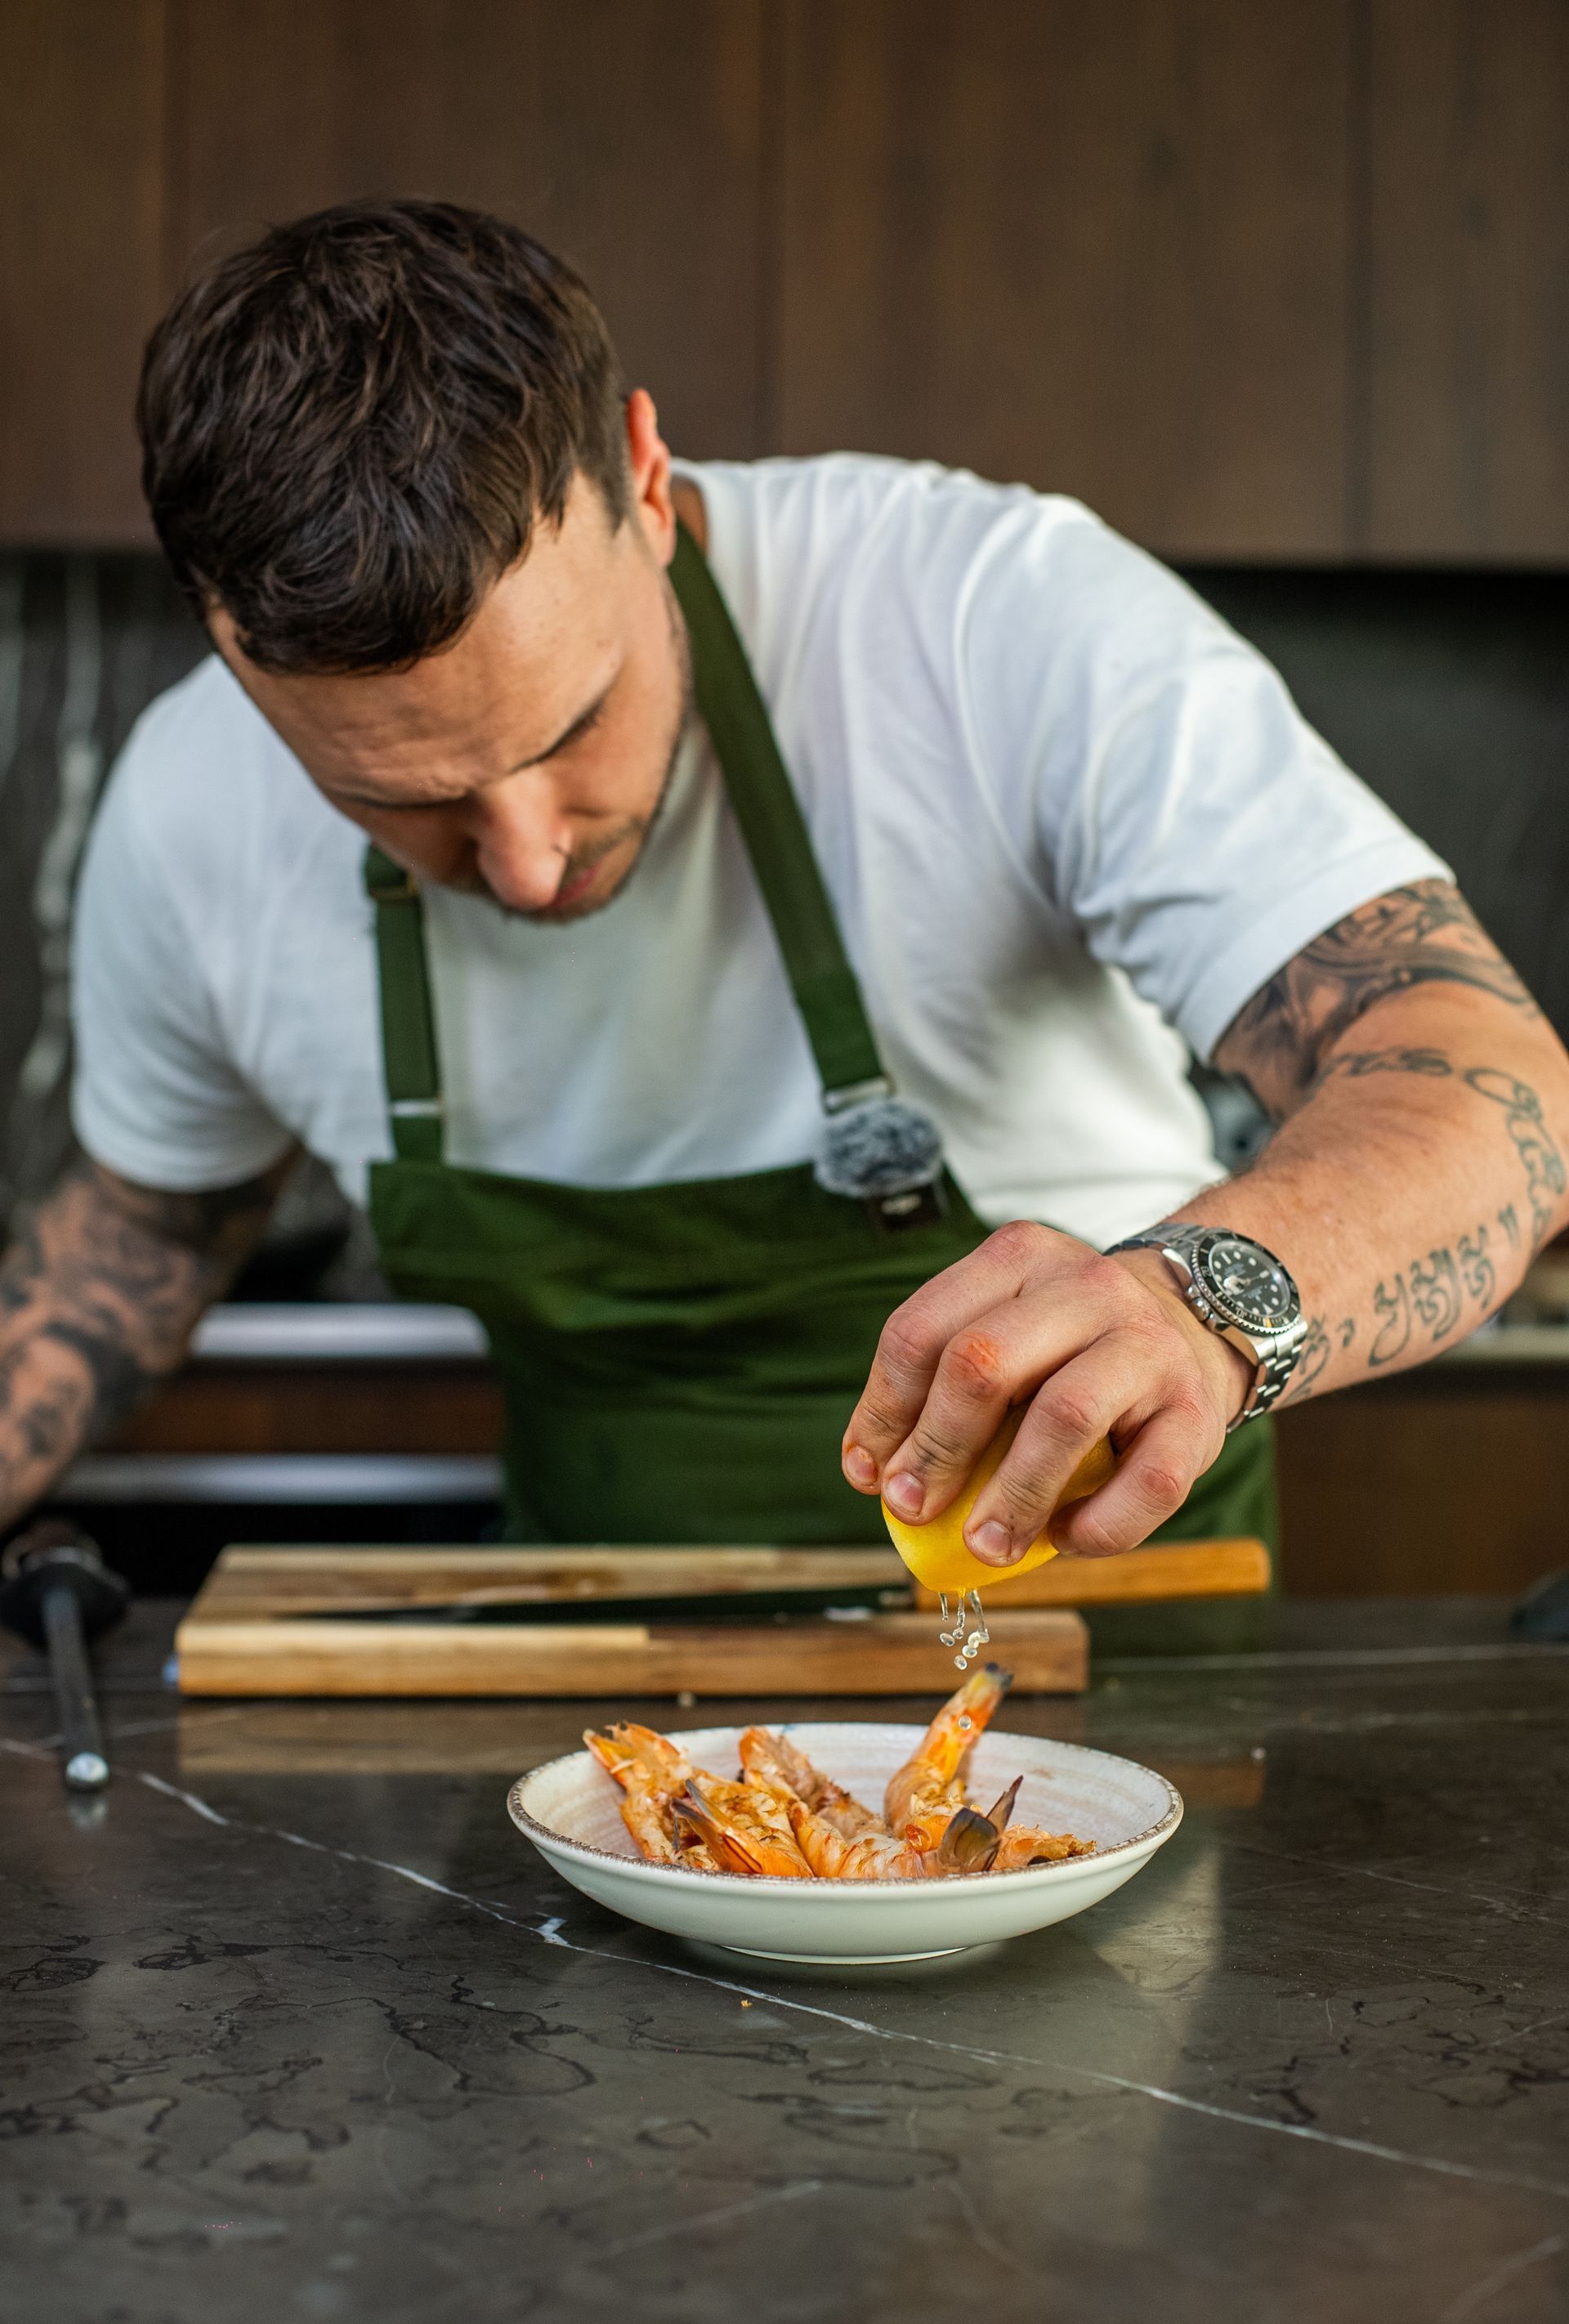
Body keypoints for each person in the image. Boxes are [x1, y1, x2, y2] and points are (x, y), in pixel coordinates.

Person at [2, 200, 1564, 1642]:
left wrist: (1200, 1304)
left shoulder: (985, 619)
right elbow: (151, 1225)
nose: (530, 865)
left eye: (573, 728)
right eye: (403, 799)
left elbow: (1497, 1086)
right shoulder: (187, 807)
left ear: (645, 481)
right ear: (229, 643)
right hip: (595, 1685)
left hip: (1113, 1652)